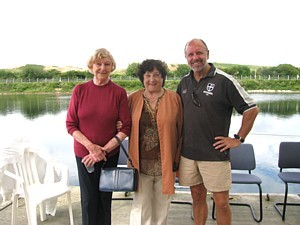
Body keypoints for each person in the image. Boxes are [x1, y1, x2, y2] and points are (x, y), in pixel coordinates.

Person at [176, 39, 259, 225]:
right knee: (197, 197)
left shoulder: (224, 80)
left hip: (215, 154)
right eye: (191, 54)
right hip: (188, 155)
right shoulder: (183, 82)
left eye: (199, 53)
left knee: (221, 202)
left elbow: (251, 109)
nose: (195, 58)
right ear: (186, 58)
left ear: (207, 53)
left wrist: (238, 138)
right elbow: (174, 114)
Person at [66, 48, 131, 225]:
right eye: (98, 64)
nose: (102, 68)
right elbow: (71, 125)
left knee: (104, 200)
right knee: (88, 201)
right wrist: (92, 148)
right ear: (91, 66)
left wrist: (103, 150)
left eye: (107, 64)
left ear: (112, 67)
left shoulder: (119, 93)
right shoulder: (79, 90)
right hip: (84, 155)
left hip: (108, 155)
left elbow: (126, 127)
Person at [128, 59, 183, 225]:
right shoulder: (133, 99)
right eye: (148, 75)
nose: (152, 79)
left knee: (161, 207)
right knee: (140, 207)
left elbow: (181, 131)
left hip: (165, 164)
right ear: (142, 78)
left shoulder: (174, 99)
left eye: (157, 75)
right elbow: (123, 124)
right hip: (140, 163)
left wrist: (177, 162)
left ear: (163, 78)